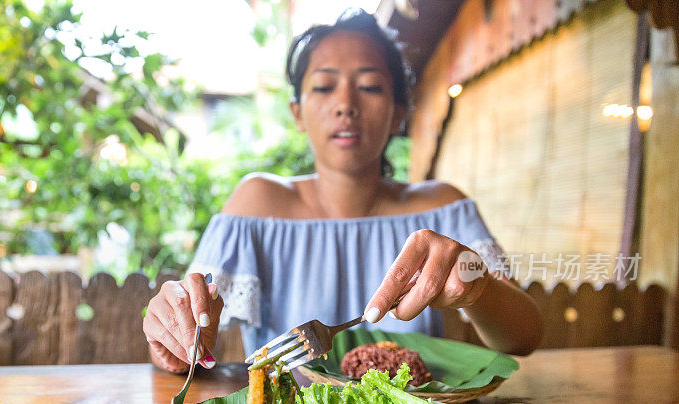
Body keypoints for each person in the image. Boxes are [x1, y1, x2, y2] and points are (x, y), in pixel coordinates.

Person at [143, 9, 543, 373]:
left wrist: (478, 288)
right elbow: (187, 329)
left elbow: (523, 339)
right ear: (297, 113)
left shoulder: (444, 209)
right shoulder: (257, 205)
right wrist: (177, 332)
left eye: (369, 87)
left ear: (397, 115)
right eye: (323, 87)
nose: (345, 104)